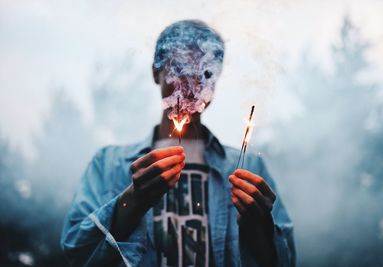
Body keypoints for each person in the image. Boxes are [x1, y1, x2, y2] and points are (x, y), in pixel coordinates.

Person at [61, 20, 295, 267]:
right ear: (155, 71)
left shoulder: (250, 167)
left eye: (205, 73)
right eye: (179, 68)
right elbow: (77, 252)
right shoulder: (108, 165)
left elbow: (285, 262)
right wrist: (132, 201)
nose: (192, 86)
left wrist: (259, 228)